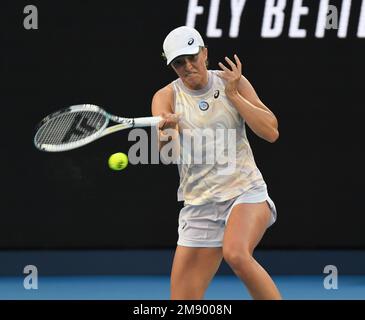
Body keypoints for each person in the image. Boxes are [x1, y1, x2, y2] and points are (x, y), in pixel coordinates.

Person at [151, 26, 281, 300]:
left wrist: (234, 95)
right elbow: (164, 148)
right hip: (200, 204)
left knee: (235, 252)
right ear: (172, 66)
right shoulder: (165, 96)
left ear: (205, 53)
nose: (187, 66)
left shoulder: (233, 82)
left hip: (245, 192)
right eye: (178, 63)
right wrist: (165, 128)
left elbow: (271, 132)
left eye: (192, 57)